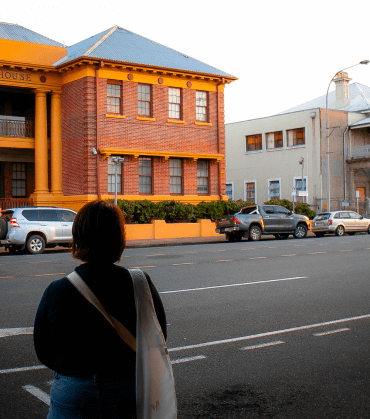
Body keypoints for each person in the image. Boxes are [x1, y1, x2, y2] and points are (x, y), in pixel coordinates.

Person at [33, 200, 167, 418]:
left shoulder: (57, 291)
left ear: (77, 238)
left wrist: (74, 367)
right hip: (128, 385)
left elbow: (44, 349)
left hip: (75, 390)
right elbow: (160, 336)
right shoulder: (140, 283)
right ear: (119, 238)